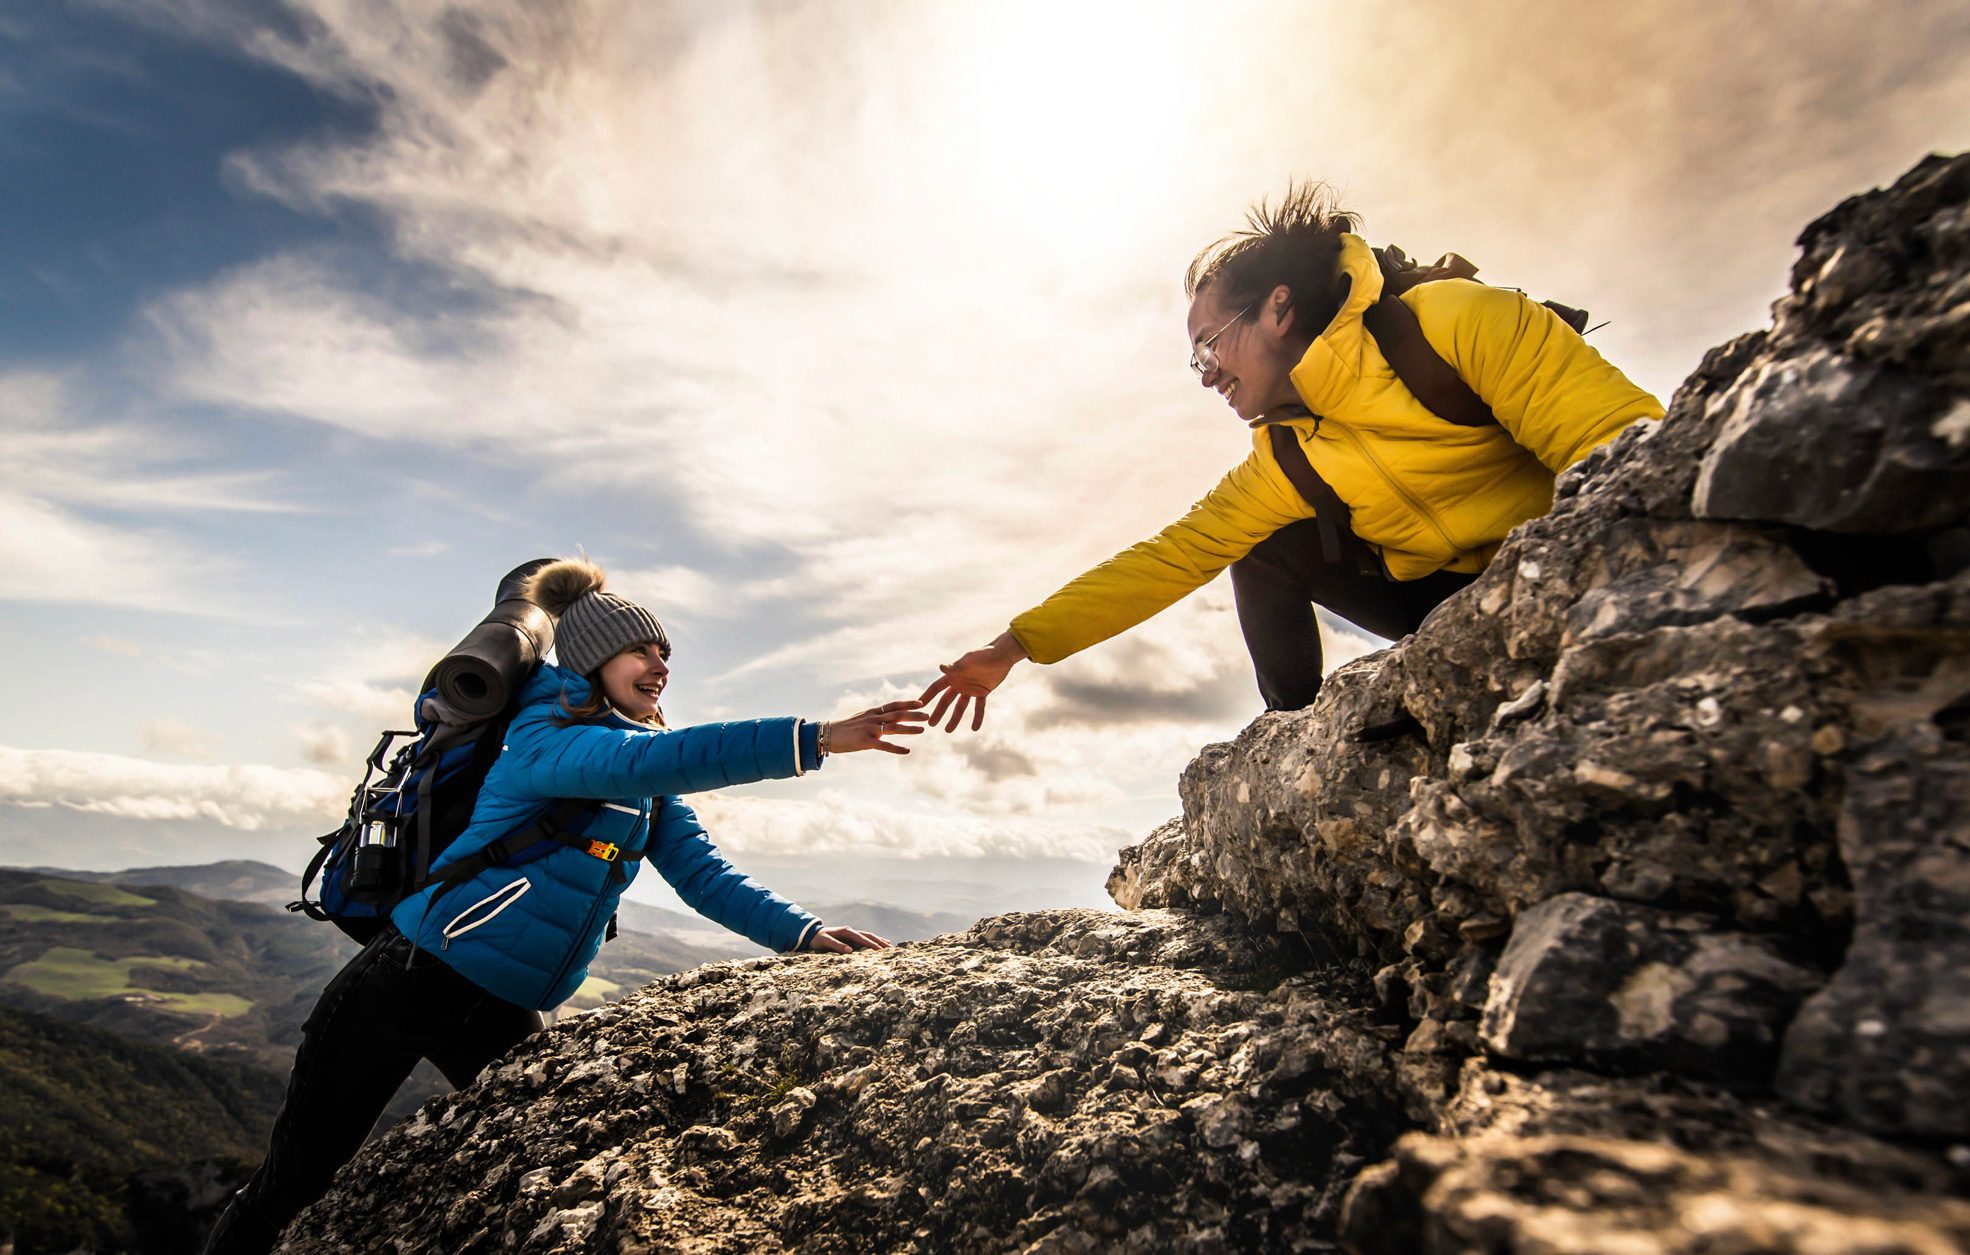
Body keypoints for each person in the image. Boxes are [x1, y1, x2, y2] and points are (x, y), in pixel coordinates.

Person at [205, 560, 927, 1254]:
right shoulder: (545, 737)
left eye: (665, 651)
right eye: (640, 648)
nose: (660, 663)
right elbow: (650, 760)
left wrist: (802, 933)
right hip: (406, 981)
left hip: (495, 1004)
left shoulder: (639, 757)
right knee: (293, 1184)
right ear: (591, 659)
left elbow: (701, 873)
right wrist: (819, 737)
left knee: (542, 1165)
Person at [921, 184, 1665, 723]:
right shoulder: (1287, 454)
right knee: (1261, 545)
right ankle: (1297, 738)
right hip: (1437, 603)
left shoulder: (1454, 325)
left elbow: (1621, 449)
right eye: (1196, 361)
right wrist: (1015, 646)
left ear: (1278, 308)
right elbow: (1170, 557)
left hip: (1556, 567)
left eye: (1209, 345)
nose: (1206, 372)